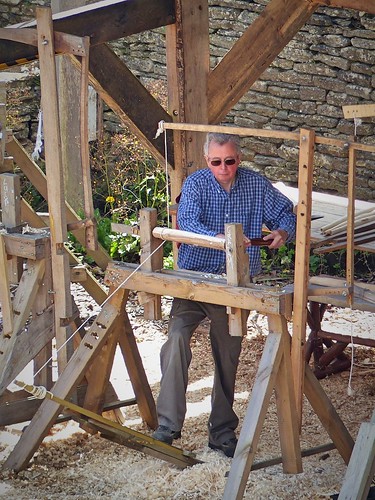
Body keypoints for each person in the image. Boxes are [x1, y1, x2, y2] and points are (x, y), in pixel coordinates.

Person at [152, 132, 296, 458]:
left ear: (238, 160)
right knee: (175, 340)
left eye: (229, 161)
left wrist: (282, 232)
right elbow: (187, 222)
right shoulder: (196, 184)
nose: (223, 168)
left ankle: (221, 432)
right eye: (216, 162)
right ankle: (168, 425)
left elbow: (288, 212)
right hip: (194, 279)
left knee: (227, 354)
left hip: (235, 284)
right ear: (207, 161)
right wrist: (221, 239)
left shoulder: (256, 185)